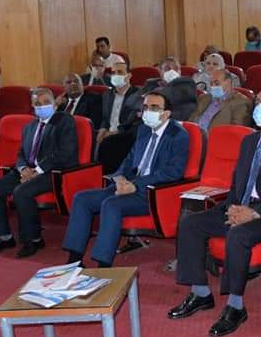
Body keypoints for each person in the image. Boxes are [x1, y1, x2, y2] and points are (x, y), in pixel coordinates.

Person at [169, 88, 261, 337]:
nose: (259, 106)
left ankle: (236, 306)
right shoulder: (249, 141)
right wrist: (234, 208)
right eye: (258, 101)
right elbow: (238, 182)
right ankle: (200, 292)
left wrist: (254, 212)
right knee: (190, 223)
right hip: (238, 206)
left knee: (238, 235)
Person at [63, 91, 189, 267]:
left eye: (154, 108)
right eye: (145, 107)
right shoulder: (144, 129)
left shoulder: (178, 135)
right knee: (82, 198)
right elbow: (130, 159)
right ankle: (74, 260)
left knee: (111, 204)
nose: (148, 111)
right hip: (129, 185)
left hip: (152, 193)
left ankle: (103, 266)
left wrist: (136, 185)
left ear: (166, 113)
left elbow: (173, 172)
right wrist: (119, 177)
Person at [0, 88, 78, 258]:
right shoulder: (29, 127)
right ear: (32, 106)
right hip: (29, 171)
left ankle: (33, 240)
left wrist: (37, 171)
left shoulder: (64, 121)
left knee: (21, 192)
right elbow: (21, 154)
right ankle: (4, 237)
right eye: (37, 103)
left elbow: (64, 153)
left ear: (54, 104)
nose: (42, 106)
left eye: (46, 102)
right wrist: (23, 168)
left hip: (54, 172)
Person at [96, 61, 142, 173]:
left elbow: (135, 123)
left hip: (126, 135)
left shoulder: (138, 95)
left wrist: (115, 133)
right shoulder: (107, 94)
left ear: (128, 76)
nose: (116, 75)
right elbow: (105, 118)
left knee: (108, 144)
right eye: (113, 73)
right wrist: (102, 129)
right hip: (108, 134)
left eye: (120, 72)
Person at [189, 69, 253, 132]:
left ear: (228, 82)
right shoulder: (204, 97)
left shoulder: (241, 102)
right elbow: (190, 120)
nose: (213, 86)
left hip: (214, 137)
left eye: (217, 83)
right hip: (192, 134)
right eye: (211, 83)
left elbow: (236, 132)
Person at [141, 56, 197, 121]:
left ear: (180, 71)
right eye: (167, 68)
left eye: (176, 69)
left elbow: (173, 95)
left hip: (172, 120)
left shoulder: (187, 82)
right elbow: (134, 101)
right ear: (160, 70)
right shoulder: (151, 82)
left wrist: (148, 96)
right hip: (146, 120)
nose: (172, 71)